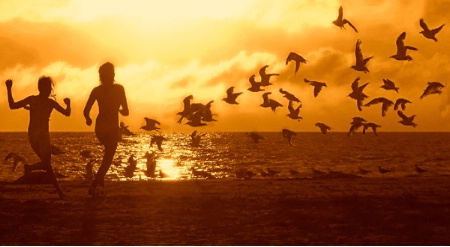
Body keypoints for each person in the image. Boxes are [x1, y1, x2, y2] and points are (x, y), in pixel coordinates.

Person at [5, 76, 71, 199]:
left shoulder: (45, 102)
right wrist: (9, 89)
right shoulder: (37, 100)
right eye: (46, 86)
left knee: (47, 165)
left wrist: (68, 104)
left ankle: (60, 193)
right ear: (41, 88)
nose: (48, 89)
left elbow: (67, 113)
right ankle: (29, 167)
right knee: (46, 163)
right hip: (39, 134)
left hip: (33, 135)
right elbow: (12, 105)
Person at [84, 62, 129, 196]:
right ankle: (94, 184)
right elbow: (126, 111)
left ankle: (100, 175)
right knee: (108, 157)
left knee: (107, 156)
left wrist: (88, 119)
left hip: (100, 127)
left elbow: (86, 110)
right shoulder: (119, 89)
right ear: (112, 75)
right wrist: (119, 110)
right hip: (111, 127)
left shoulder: (97, 90)